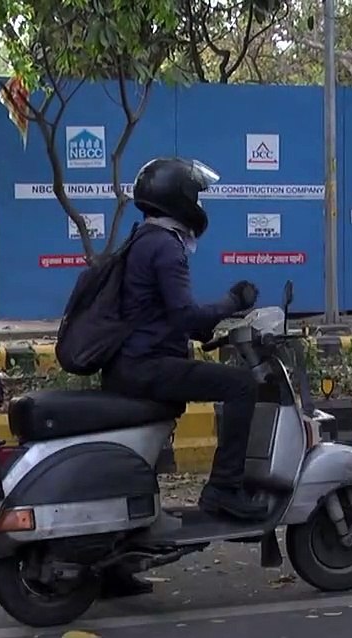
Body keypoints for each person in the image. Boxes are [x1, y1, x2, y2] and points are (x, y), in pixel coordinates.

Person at [103, 156, 269, 524]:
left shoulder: (144, 239)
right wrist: (233, 301)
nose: (198, 204)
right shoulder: (165, 246)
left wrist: (209, 326)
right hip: (147, 367)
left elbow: (173, 318)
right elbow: (184, 316)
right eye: (195, 195)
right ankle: (225, 488)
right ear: (178, 198)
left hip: (131, 364)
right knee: (241, 385)